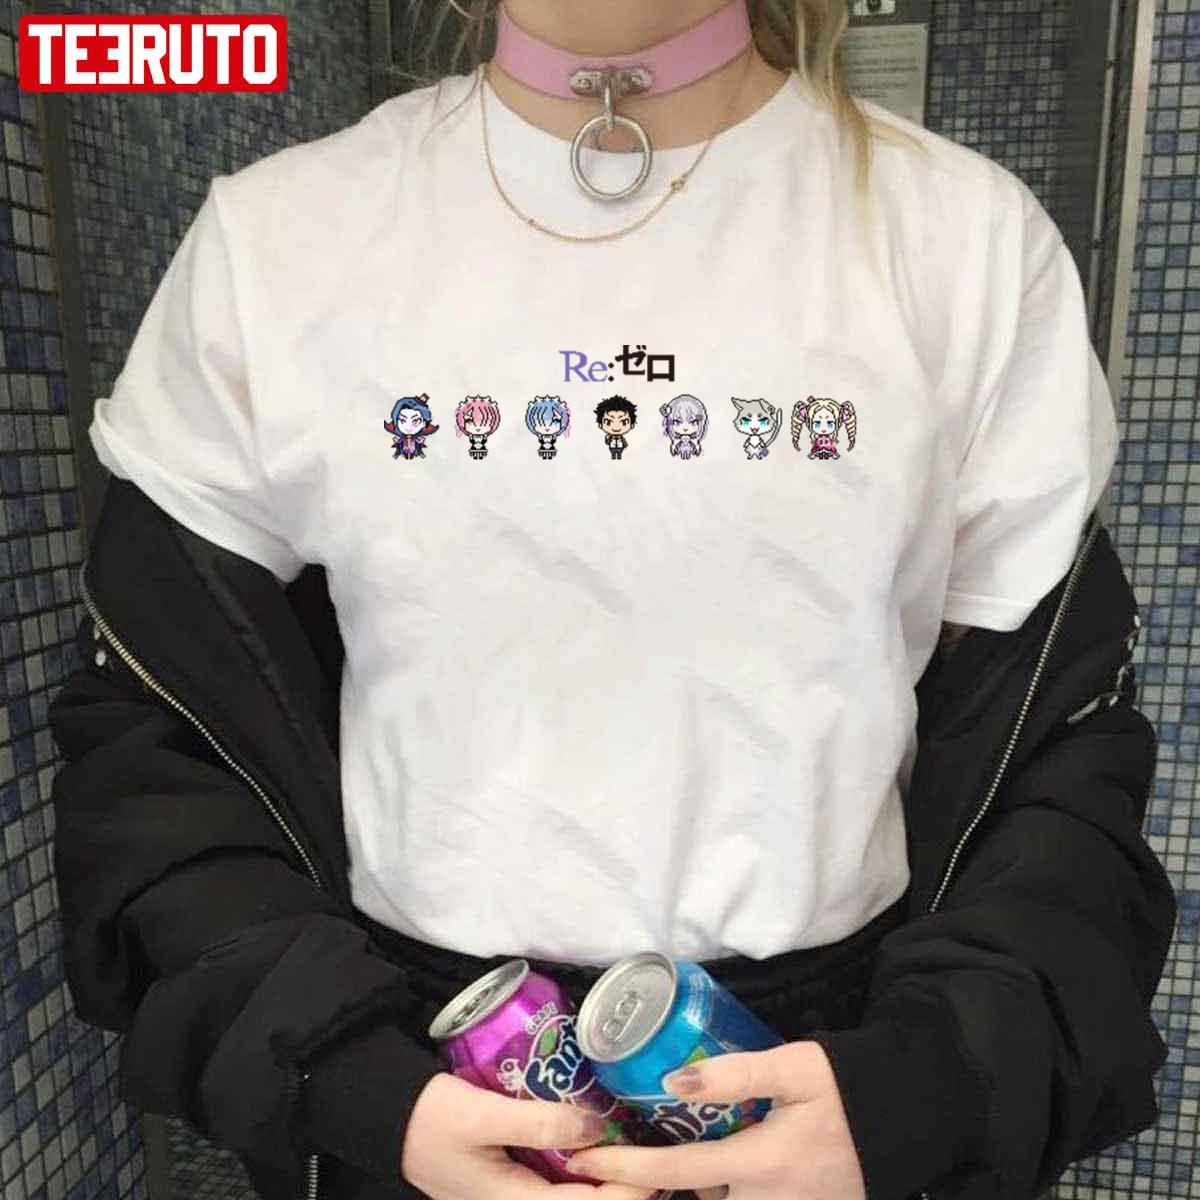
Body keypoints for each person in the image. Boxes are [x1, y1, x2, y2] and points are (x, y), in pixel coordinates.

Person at [47, 3, 1177, 1200]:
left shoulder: (966, 240)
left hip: (833, 1096)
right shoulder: (277, 241)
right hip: (421, 1086)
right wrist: (349, 1080)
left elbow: (1058, 759)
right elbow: (157, 750)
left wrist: (925, 1081)